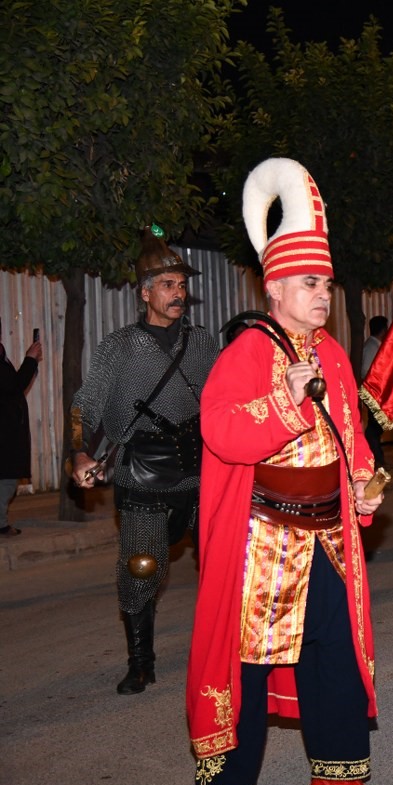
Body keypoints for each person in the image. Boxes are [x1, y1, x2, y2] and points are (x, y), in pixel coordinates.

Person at [187, 159, 393, 785]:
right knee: (243, 671)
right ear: (275, 287)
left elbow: (351, 436)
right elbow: (219, 429)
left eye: (326, 283)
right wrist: (282, 401)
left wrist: (365, 483)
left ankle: (334, 776)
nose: (323, 293)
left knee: (334, 656)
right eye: (310, 282)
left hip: (329, 536)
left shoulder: (334, 354)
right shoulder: (247, 350)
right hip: (267, 539)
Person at [70, 232, 218, 695]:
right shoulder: (119, 347)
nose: (179, 294)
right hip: (146, 472)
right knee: (140, 567)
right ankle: (141, 662)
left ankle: (228, 651)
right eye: (169, 284)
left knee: (224, 562)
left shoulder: (202, 343)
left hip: (203, 469)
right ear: (146, 292)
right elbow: (85, 406)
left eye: (181, 285)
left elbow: (227, 401)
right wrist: (79, 452)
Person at [0, 321, 43, 535]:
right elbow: (14, 387)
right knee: (6, 481)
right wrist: (30, 360)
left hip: (6, 431)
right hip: (4, 433)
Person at [361, 315, 390, 470]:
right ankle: (375, 457)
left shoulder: (374, 345)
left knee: (376, 426)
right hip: (373, 393)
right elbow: (367, 371)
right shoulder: (371, 347)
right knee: (374, 427)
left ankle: (376, 456)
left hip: (376, 393)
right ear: (383, 330)